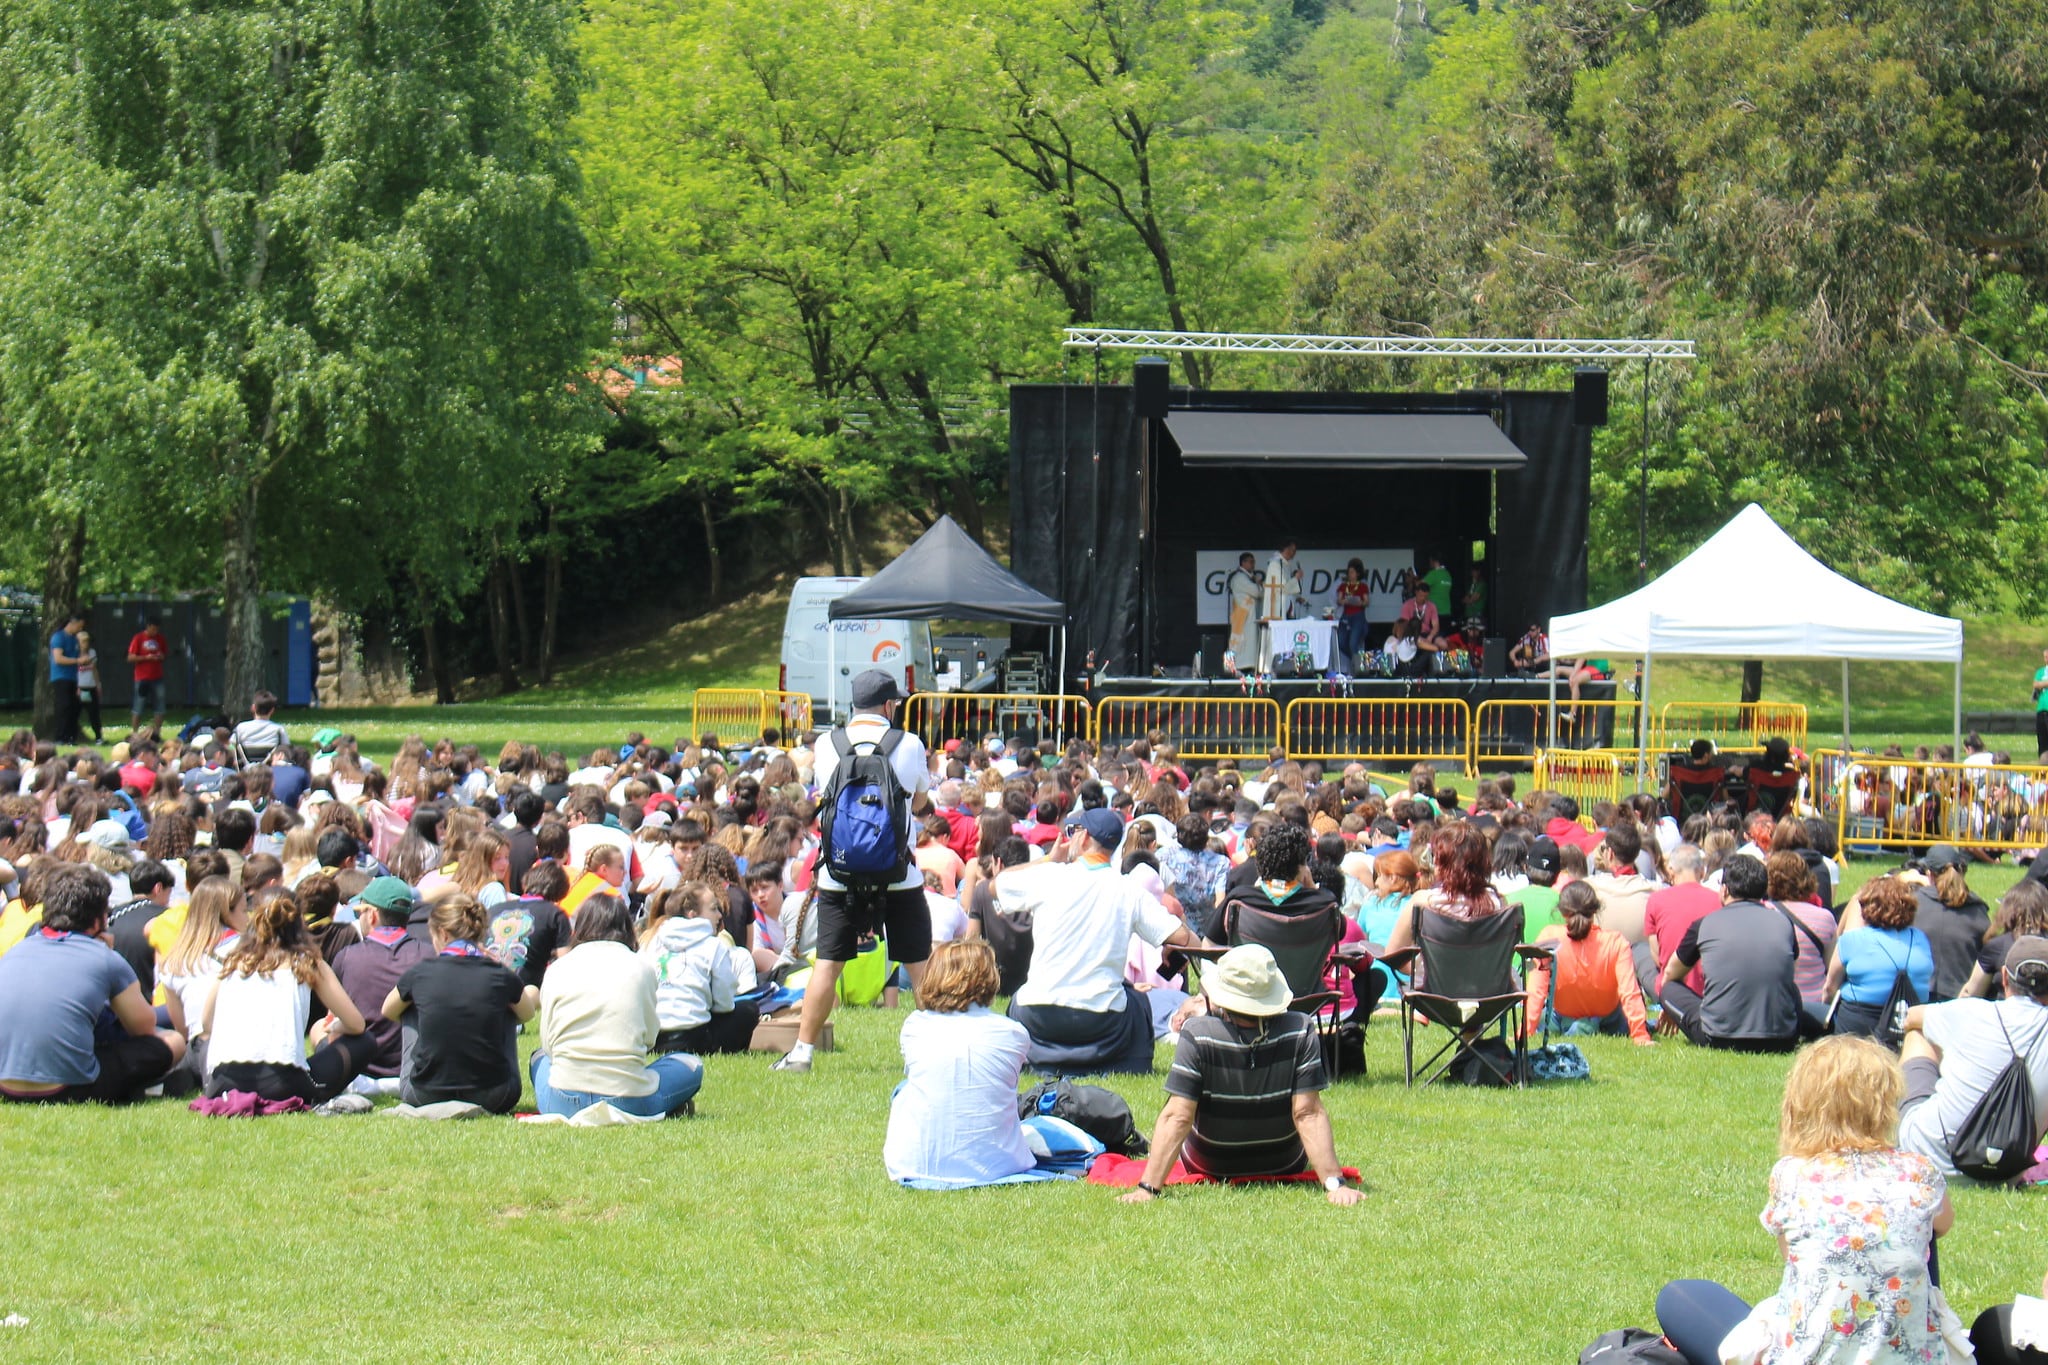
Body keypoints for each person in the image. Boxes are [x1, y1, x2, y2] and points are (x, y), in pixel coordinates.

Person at [1655, 1036, 1955, 1365]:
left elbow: (1798, 1262)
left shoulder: (1792, 1175)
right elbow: (1944, 1223)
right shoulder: (1918, 1172)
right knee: (1925, 1233)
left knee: (1679, 1297)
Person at [774, 669, 933, 1075]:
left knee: (828, 963)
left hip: (838, 875)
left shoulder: (827, 743)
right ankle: (938, 1050)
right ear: (889, 705)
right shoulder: (909, 743)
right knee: (919, 966)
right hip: (900, 874)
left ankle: (802, 1053)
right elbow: (917, 803)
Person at [1123, 944, 1361, 1203]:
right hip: (1284, 1162)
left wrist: (1148, 1189)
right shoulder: (1300, 1029)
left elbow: (1178, 1117)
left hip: (1209, 1162)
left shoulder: (1197, 1034)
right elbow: (1308, 1113)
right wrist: (1335, 1184)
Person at [995, 809, 1198, 1075]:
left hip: (1039, 1015)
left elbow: (998, 883)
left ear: (1084, 836)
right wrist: (1181, 951)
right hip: (1101, 1022)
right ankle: (1123, 1064)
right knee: (1137, 1003)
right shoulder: (1128, 889)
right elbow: (1185, 937)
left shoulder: (1049, 875)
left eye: (1073, 831)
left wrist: (1048, 859)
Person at [0, 863, 186, 1103]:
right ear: (99, 918)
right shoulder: (105, 958)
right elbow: (143, 1027)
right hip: (68, 1087)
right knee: (173, 1041)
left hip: (5, 1084)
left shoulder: (16, 952)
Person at [883, 939, 1038, 1187]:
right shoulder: (1014, 1033)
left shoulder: (915, 1027)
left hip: (918, 1165)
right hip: (1001, 1165)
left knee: (904, 1089)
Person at [530, 895, 701, 1118]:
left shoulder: (557, 968)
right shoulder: (641, 967)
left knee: (538, 1058)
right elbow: (649, 1038)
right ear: (627, 927)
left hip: (563, 1101)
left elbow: (549, 1045)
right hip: (629, 1098)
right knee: (691, 1065)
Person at [203, 889, 378, 1104]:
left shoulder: (233, 962)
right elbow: (357, 1025)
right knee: (365, 1042)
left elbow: (206, 1023)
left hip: (223, 1084)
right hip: (281, 1084)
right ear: (299, 921)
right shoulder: (307, 962)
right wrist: (332, 1028)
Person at [1896, 935, 2048, 1179]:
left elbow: (1911, 1016)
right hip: (2007, 1168)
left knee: (1918, 1033)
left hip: (1928, 1155)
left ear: (2005, 978)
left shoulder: (1971, 1011)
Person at [382, 892, 536, 1114]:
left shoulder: (419, 973)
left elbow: (388, 1010)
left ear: (443, 934)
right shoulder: (499, 974)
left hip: (424, 1094)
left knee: (408, 1005)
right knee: (508, 1006)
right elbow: (527, 1013)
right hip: (495, 1095)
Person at [1658, 854, 1809, 1052]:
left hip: (1718, 1036)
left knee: (1668, 988)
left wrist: (1670, 1008)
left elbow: (1670, 974)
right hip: (1781, 1038)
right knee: (1792, 990)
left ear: (1725, 889)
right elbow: (1789, 973)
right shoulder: (1783, 923)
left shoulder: (1705, 924)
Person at [328, 876, 431, 1088]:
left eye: (362, 911)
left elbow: (334, 1022)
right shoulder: (429, 955)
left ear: (373, 915)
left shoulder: (348, 957)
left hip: (360, 1070)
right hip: (415, 1067)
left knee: (322, 1027)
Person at [1524, 881, 1652, 1045]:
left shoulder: (1548, 937)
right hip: (1609, 1019)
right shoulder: (1615, 942)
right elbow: (1629, 992)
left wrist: (1526, 1031)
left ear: (1562, 912)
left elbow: (1536, 991)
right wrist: (1640, 1034)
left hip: (1562, 1015)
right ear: (1595, 910)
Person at [641, 881, 758, 1056]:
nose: (720, 915)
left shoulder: (651, 942)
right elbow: (724, 1005)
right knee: (748, 1010)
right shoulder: (713, 946)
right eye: (713, 909)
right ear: (692, 914)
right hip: (693, 1038)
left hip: (653, 1038)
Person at [1827, 875, 1935, 1041]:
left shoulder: (1852, 940)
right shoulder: (1920, 939)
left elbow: (1829, 989)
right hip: (1910, 1026)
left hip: (1858, 1028)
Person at [484, 860, 573, 991]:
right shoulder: (556, 914)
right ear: (561, 891)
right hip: (524, 990)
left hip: (486, 983)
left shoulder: (494, 910)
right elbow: (565, 964)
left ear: (526, 882)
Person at [1643, 845, 1717, 997]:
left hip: (1672, 990)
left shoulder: (1656, 900)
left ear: (1671, 870)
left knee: (1638, 950)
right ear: (1702, 872)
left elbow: (1657, 957)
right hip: (1709, 990)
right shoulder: (1718, 900)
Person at [127, 619, 169, 736]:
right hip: (142, 678)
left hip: (157, 677)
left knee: (160, 705)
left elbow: (164, 655)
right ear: (148, 626)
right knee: (139, 704)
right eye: (153, 629)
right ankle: (135, 733)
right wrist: (147, 657)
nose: (155, 632)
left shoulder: (160, 639)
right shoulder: (138, 638)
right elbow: (130, 657)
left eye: (157, 629)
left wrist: (161, 656)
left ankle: (157, 733)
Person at [48, 612, 84, 745]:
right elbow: (58, 658)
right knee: (63, 706)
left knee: (74, 707)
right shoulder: (58, 637)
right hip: (61, 677)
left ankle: (71, 736)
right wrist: (77, 660)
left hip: (73, 677)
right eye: (79, 626)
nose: (80, 629)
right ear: (72, 623)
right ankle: (60, 737)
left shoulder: (74, 640)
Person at [229, 691, 287, 766]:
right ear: (272, 710)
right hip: (270, 771)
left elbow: (230, 746)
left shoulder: (241, 728)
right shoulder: (278, 729)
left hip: (244, 770)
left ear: (253, 708)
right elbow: (286, 749)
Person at [1224, 551, 1260, 669]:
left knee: (1248, 641)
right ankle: (1240, 666)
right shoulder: (1240, 577)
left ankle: (1247, 665)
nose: (1253, 564)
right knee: (1242, 642)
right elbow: (1256, 592)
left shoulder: (1247, 577)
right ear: (1243, 563)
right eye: (1251, 562)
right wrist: (1259, 584)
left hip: (1247, 613)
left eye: (1253, 562)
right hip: (1243, 614)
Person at [1332, 560, 1369, 667]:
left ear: (1358, 573)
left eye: (1352, 572)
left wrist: (1358, 602)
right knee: (1341, 641)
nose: (1350, 574)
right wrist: (1346, 601)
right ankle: (1357, 661)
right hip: (1346, 615)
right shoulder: (1343, 586)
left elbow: (1366, 602)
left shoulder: (1362, 586)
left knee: (1353, 643)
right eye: (1349, 572)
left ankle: (1358, 667)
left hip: (1358, 616)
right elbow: (1339, 600)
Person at [73, 630, 104, 743]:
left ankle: (98, 737)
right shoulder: (74, 654)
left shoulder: (92, 652)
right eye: (82, 642)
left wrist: (98, 684)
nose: (85, 644)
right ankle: (73, 737)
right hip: (79, 687)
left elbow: (94, 669)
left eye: (86, 642)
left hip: (90, 686)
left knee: (94, 713)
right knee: (75, 713)